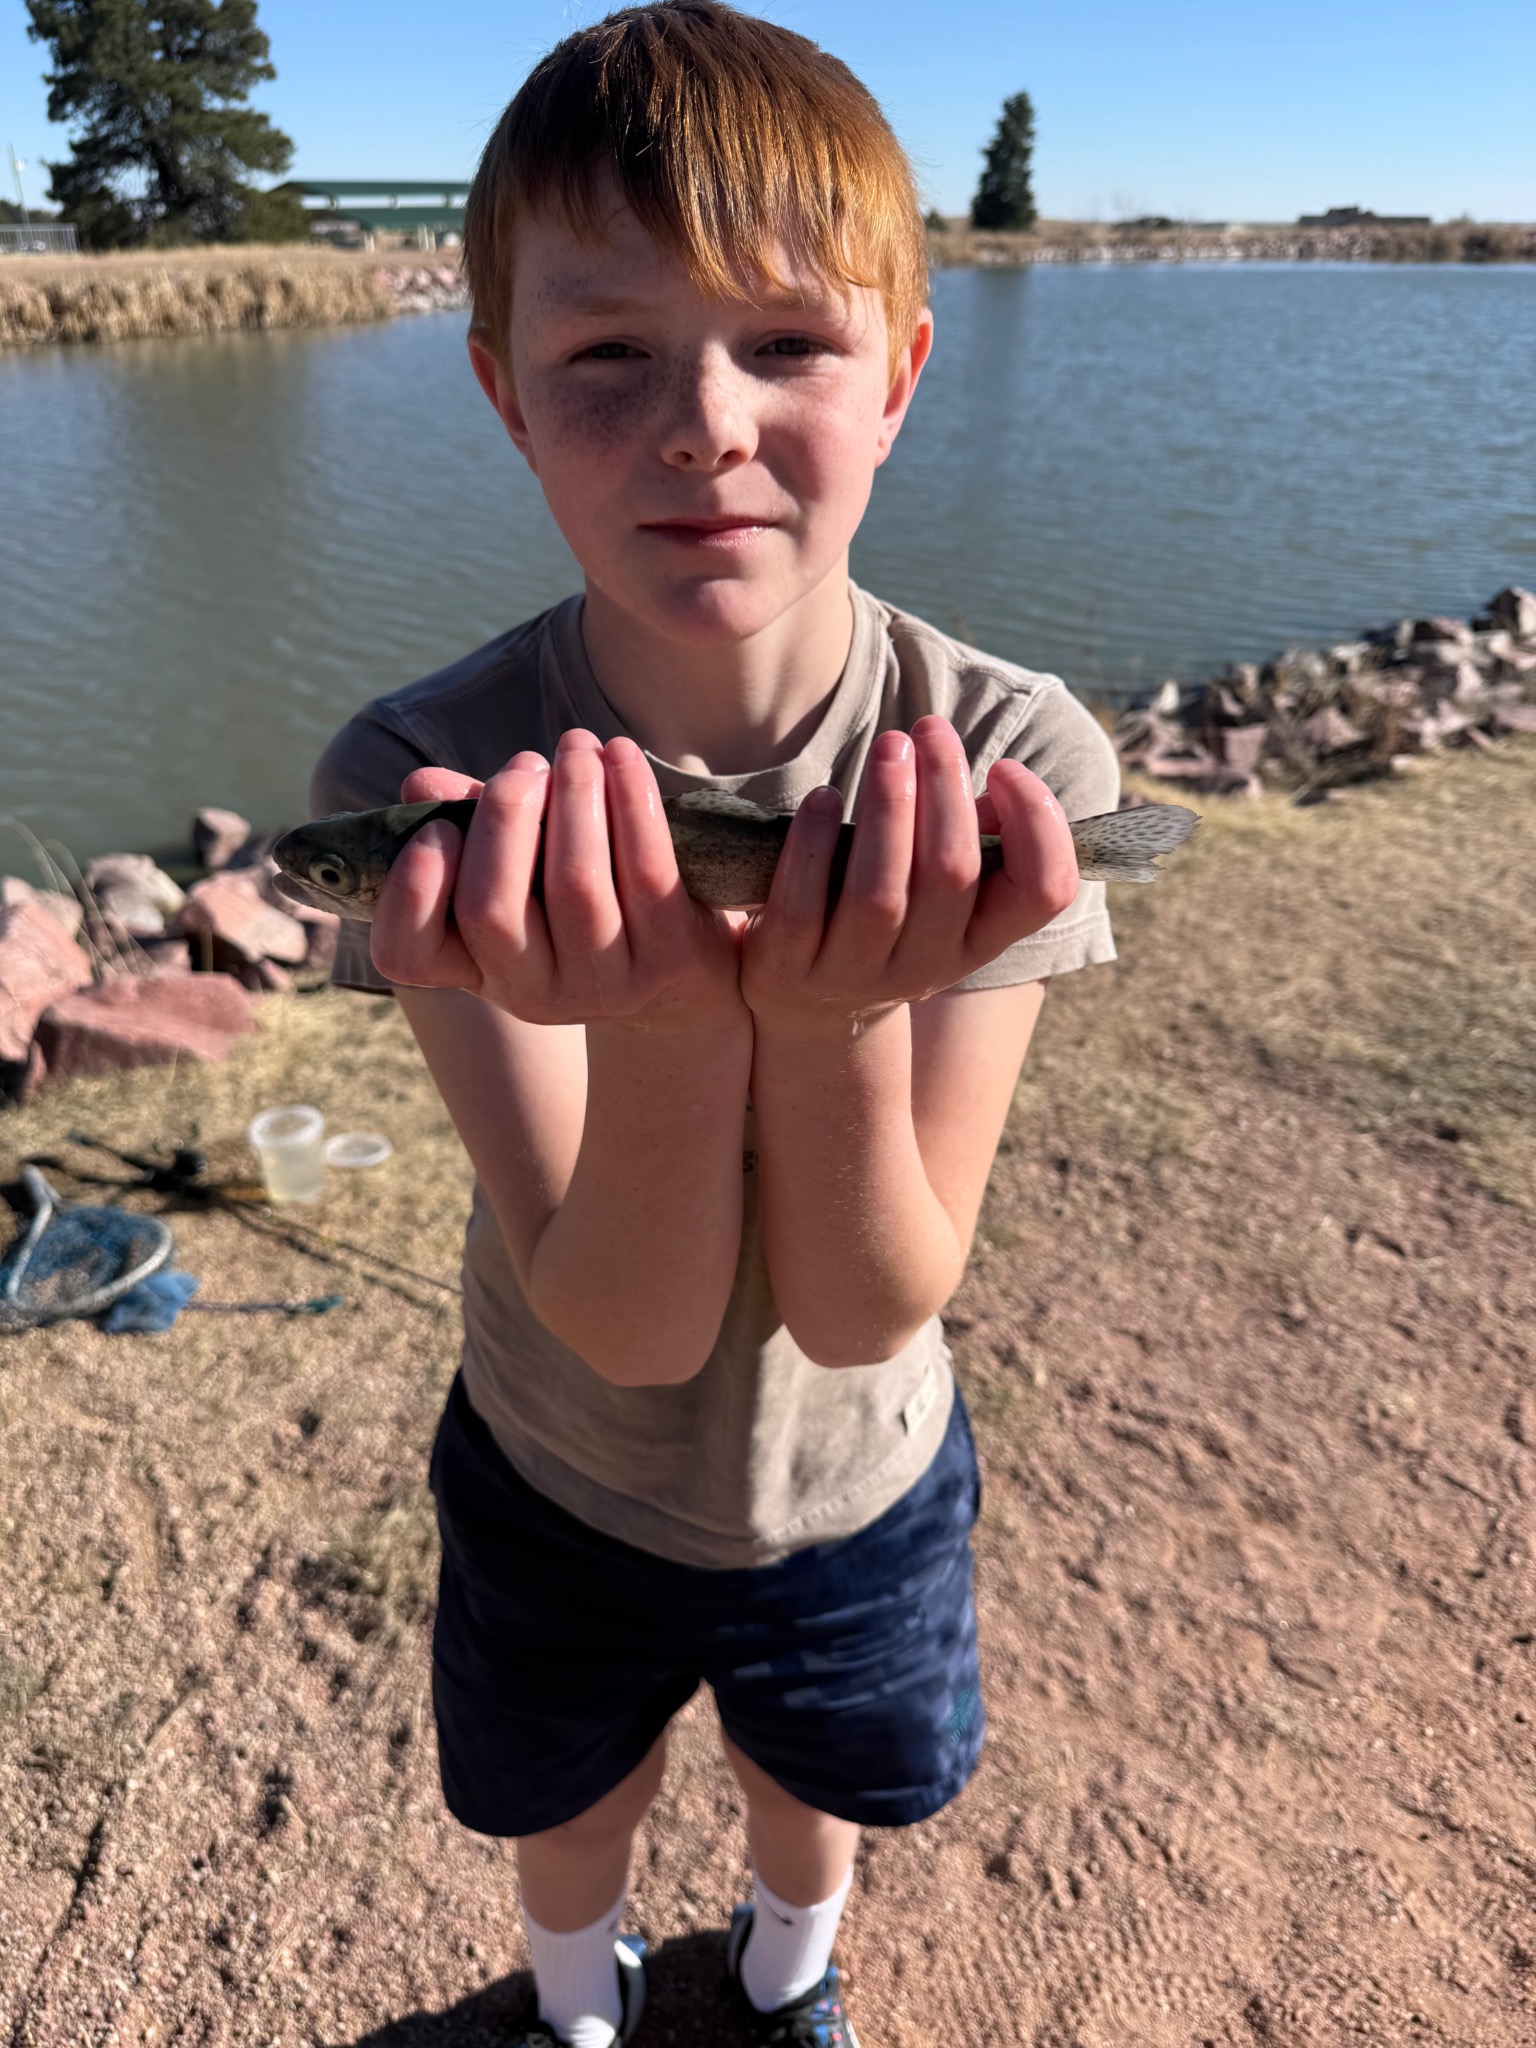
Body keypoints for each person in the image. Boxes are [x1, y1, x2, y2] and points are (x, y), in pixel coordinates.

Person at [311, 5, 1119, 2042]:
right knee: (564, 1795)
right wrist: (684, 1030)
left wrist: (833, 1026)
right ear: (503, 394)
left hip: (860, 1470)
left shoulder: (1013, 763)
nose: (701, 423)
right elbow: (634, 1326)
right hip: (560, 1461)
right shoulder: (422, 779)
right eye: (608, 354)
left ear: (902, 377)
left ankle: (783, 1981)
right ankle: (577, 2009)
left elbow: (870, 1308)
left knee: (810, 1780)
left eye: (785, 342)